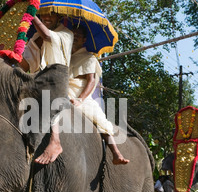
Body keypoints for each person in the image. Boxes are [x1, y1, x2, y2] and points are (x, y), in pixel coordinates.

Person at [67, 26, 129, 165]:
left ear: (84, 40)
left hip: (81, 96)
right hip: (64, 92)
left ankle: (116, 153)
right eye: (72, 34)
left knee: (98, 118)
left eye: (78, 35)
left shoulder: (88, 57)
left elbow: (91, 81)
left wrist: (79, 100)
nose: (75, 36)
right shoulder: (64, 57)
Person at [20, 12, 74, 164]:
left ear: (59, 17)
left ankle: (55, 141)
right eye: (42, 15)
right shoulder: (36, 37)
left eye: (50, 15)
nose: (46, 18)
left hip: (56, 79)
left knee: (50, 99)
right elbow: (25, 65)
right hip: (35, 80)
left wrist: (31, 13)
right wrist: (9, 55)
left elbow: (48, 36)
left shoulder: (66, 33)